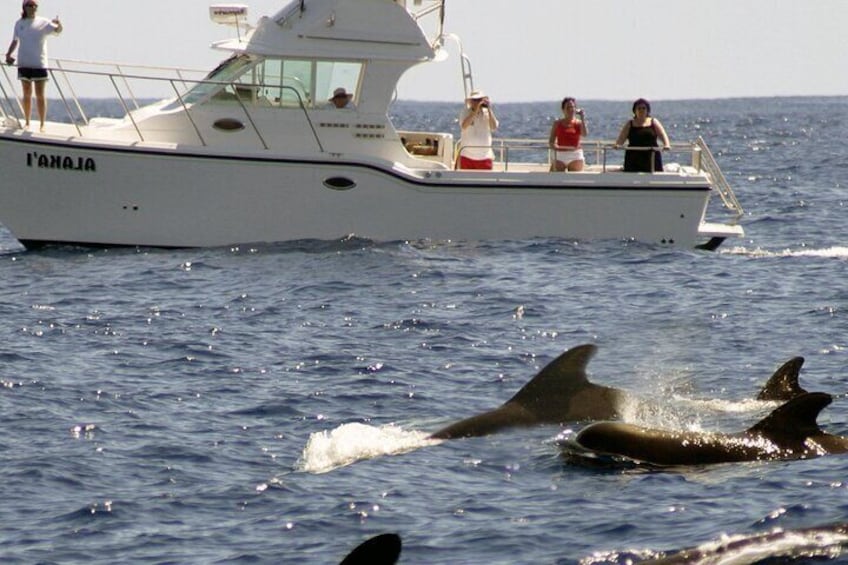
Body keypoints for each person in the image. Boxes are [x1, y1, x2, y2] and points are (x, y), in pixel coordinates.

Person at [5, 0, 63, 132]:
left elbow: (57, 31)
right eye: (30, 5)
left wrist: (59, 25)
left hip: (39, 64)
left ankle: (42, 124)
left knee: (40, 94)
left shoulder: (43, 22)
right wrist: (8, 54)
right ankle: (27, 122)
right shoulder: (19, 23)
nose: (33, 8)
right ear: (24, 7)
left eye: (35, 6)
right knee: (26, 93)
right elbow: (15, 41)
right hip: (24, 62)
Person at [614, 98, 671, 172]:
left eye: (644, 108)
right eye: (639, 108)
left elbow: (663, 134)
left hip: (651, 156)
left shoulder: (653, 122)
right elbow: (621, 139)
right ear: (635, 111)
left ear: (647, 110)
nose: (641, 110)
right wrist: (617, 145)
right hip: (634, 157)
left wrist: (667, 145)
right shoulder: (630, 124)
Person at [458, 89, 499, 170]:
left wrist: (489, 110)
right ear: (471, 102)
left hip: (485, 157)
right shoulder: (465, 112)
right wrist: (475, 111)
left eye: (479, 100)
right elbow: (464, 125)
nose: (477, 102)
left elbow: (494, 127)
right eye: (475, 100)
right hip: (467, 156)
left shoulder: (487, 113)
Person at [548, 97, 588, 172]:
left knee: (575, 180)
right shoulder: (557, 123)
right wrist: (554, 146)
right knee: (554, 178)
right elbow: (551, 141)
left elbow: (584, 134)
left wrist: (582, 118)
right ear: (563, 110)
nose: (570, 109)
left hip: (575, 155)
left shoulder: (579, 123)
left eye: (572, 107)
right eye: (568, 107)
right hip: (560, 154)